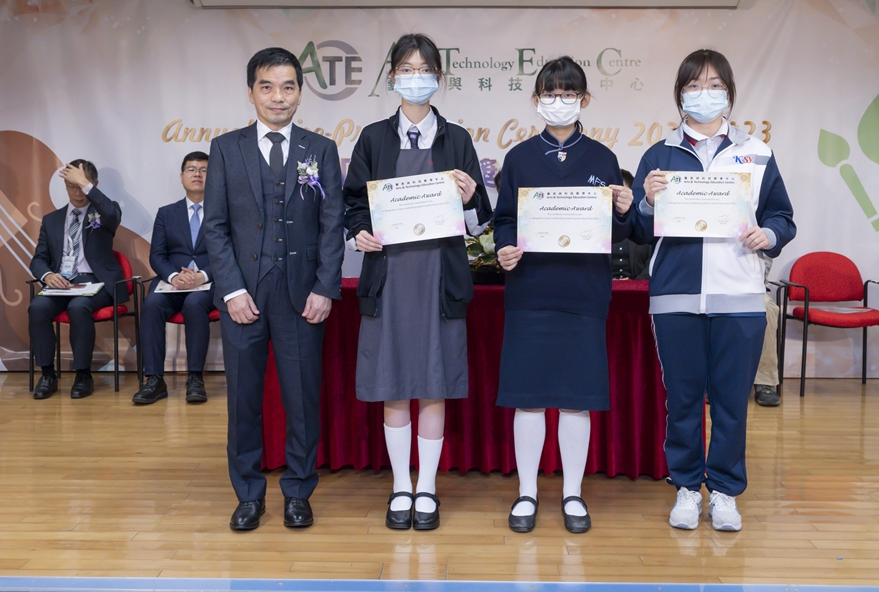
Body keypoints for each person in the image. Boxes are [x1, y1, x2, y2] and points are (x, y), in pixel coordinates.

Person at [631, 49, 795, 532]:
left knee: (730, 401)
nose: (705, 94)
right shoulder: (658, 155)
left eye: (715, 85)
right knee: (682, 399)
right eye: (694, 85)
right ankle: (685, 486)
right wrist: (646, 201)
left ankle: (723, 491)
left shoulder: (757, 153)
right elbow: (637, 229)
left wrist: (770, 234)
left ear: (729, 92)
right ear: (680, 94)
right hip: (675, 295)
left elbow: (782, 215)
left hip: (740, 294)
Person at [343, 33, 492, 531]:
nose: (415, 78)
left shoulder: (458, 139)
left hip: (439, 278)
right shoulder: (373, 138)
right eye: (406, 70)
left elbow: (479, 222)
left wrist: (471, 198)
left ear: (439, 78)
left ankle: (426, 486)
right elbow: (352, 203)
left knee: (433, 384)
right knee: (393, 384)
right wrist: (358, 231)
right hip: (389, 278)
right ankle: (400, 485)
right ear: (391, 78)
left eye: (424, 70)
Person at [203, 47, 345, 531]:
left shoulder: (320, 149)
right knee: (243, 401)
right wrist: (230, 291)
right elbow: (215, 227)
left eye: (288, 87)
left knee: (302, 400)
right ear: (251, 93)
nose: (278, 97)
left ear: (300, 93)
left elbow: (331, 224)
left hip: (302, 296)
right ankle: (248, 494)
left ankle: (299, 491)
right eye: (267, 87)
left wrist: (325, 287)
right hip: (244, 295)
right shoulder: (226, 148)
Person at [493, 57, 633, 534]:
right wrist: (504, 247)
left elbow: (618, 231)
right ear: (536, 101)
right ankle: (527, 492)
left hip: (583, 293)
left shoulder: (602, 158)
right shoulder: (519, 157)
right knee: (528, 399)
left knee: (577, 399)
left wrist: (623, 210)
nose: (559, 102)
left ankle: (573, 492)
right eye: (550, 94)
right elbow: (505, 219)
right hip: (530, 291)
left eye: (568, 94)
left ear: (584, 100)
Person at [28, 159, 124, 400]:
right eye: (72, 187)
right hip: (62, 283)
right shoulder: (51, 220)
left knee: (78, 307)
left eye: (82, 186)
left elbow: (113, 213)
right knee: (37, 307)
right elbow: (38, 259)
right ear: (65, 187)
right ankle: (47, 374)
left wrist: (85, 184)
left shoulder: (105, 213)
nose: (78, 193)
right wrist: (48, 275)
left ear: (94, 185)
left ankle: (83, 375)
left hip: (96, 282)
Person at [132, 151, 215, 405]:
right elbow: (157, 255)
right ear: (182, 177)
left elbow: (231, 253)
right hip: (172, 282)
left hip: (208, 282)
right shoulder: (166, 213)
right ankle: (154, 379)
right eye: (191, 169)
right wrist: (173, 275)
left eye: (203, 169)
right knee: (152, 304)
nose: (197, 174)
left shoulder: (223, 212)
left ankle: (195, 378)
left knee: (195, 304)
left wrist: (202, 275)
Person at [611, 170, 651, 280]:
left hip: (639, 287)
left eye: (623, 194)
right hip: (604, 286)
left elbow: (651, 262)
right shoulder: (596, 226)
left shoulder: (643, 225)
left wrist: (634, 284)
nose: (618, 199)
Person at [754, 255, 781, 407]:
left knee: (767, 309)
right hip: (713, 287)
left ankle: (765, 380)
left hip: (752, 286)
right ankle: (712, 380)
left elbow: (765, 259)